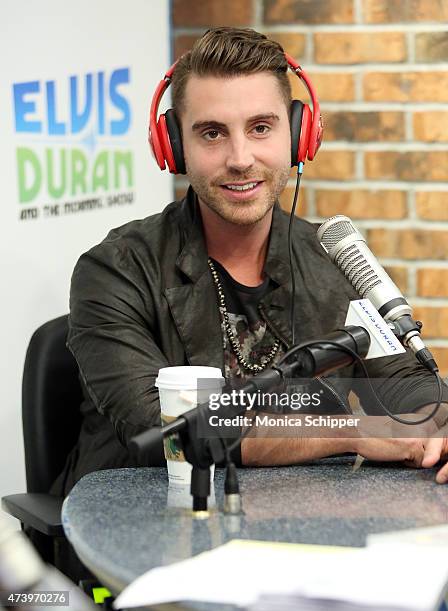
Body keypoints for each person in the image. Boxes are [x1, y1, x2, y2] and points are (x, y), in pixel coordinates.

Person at [52, 27, 448, 497]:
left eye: (261, 127)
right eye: (212, 133)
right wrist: (353, 431)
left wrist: (437, 427)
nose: (240, 158)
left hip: (295, 527)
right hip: (144, 525)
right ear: (174, 145)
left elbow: (405, 382)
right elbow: (169, 430)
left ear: (300, 134)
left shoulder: (332, 260)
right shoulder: (115, 270)